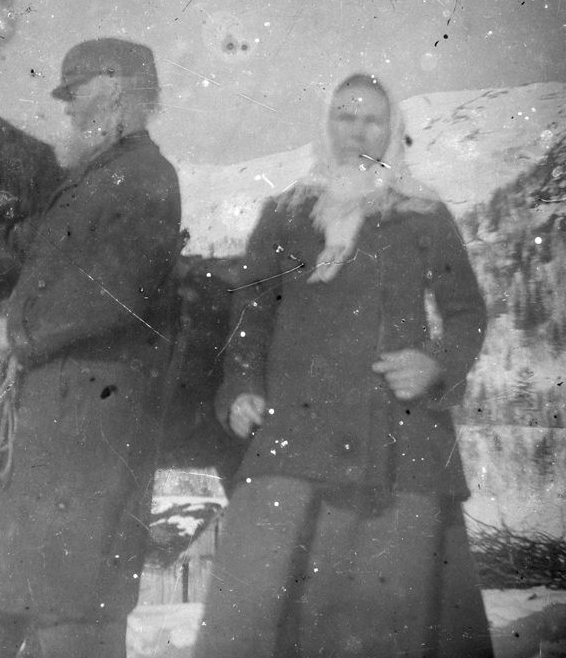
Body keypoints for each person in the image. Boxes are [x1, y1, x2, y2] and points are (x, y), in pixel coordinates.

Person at [193, 73, 494, 658]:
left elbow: (466, 312)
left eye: (372, 119)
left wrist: (435, 364)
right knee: (256, 605)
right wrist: (241, 388)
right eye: (345, 117)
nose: (359, 131)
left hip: (397, 439)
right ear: (325, 126)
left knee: (390, 611)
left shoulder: (422, 213)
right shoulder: (284, 214)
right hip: (293, 435)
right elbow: (251, 315)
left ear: (393, 131)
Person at [0, 38, 183, 658]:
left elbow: (116, 286)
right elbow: (42, 277)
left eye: (75, 94)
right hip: (48, 417)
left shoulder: (147, 177)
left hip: (92, 429)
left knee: (75, 607)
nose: (68, 110)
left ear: (119, 91)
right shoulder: (86, 181)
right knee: (6, 588)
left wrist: (19, 333)